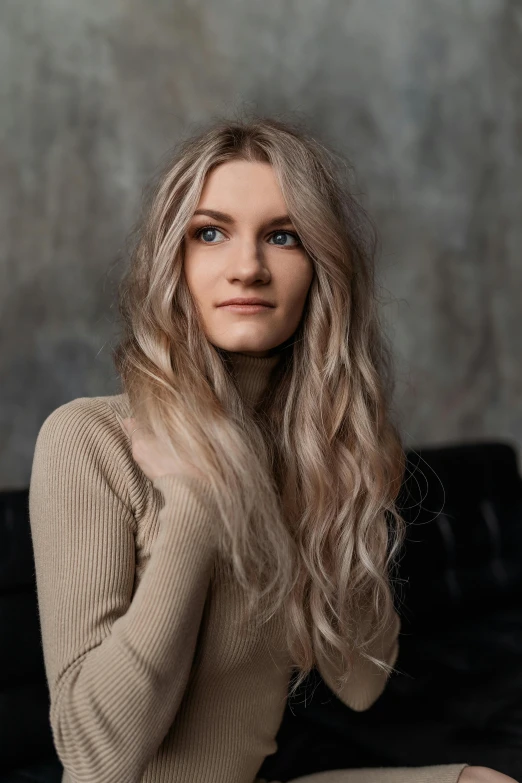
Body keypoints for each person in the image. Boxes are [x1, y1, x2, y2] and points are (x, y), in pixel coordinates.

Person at [29, 116, 515, 783]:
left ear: (320, 269)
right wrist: (198, 504)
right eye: (211, 232)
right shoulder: (90, 439)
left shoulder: (311, 452)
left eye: (282, 236)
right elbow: (96, 759)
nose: (249, 267)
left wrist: (340, 488)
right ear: (174, 259)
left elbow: (362, 681)